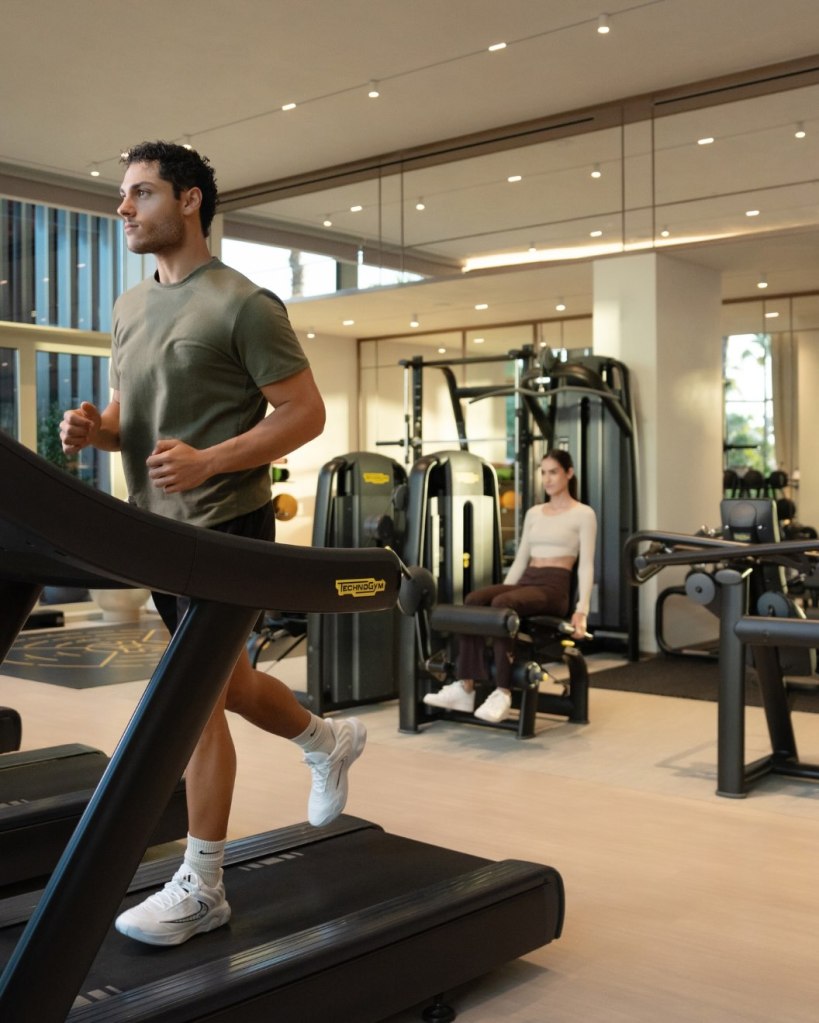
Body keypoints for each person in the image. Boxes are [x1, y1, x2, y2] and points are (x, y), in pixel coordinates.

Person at [59, 140, 367, 947]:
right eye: (122, 196)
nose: (123, 208)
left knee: (191, 698)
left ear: (189, 200)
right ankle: (326, 738)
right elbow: (132, 412)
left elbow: (303, 413)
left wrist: (211, 459)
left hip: (227, 524)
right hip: (153, 531)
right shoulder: (128, 307)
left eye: (141, 193)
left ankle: (204, 883)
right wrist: (96, 429)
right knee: (224, 685)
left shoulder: (244, 302)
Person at [423, 449, 597, 723]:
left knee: (503, 605)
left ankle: (503, 692)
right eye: (543, 472)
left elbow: (586, 564)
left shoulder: (583, 514)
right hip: (529, 579)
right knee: (475, 599)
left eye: (553, 472)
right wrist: (504, 594)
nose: (547, 479)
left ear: (569, 473)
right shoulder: (535, 513)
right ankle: (465, 687)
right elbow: (521, 560)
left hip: (554, 587)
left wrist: (581, 610)